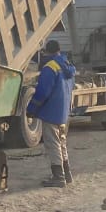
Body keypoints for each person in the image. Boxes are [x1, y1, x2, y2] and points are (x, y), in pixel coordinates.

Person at [29, 40, 77, 188]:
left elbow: (43, 92)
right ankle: (67, 174)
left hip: (51, 112)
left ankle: (58, 177)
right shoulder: (67, 66)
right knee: (61, 142)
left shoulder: (50, 68)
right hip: (63, 112)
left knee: (53, 143)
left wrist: (31, 109)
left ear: (47, 52)